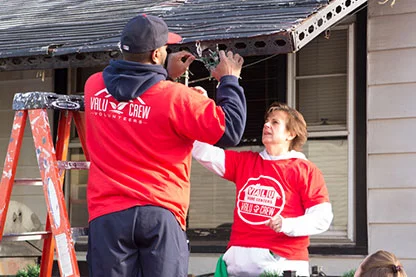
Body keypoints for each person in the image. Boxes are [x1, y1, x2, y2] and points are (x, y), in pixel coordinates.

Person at [84, 13, 246, 277]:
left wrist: (162, 72)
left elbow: (134, 92)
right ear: (157, 53)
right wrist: (229, 80)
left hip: (108, 215)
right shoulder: (177, 98)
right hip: (160, 212)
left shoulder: (94, 86)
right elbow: (231, 129)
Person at [192, 102, 333, 277]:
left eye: (275, 122)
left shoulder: (305, 169)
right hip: (236, 267)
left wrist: (287, 224)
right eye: (267, 121)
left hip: (282, 265)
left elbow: (322, 218)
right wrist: (200, 109)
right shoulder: (245, 162)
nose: (266, 125)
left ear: (291, 134)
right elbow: (202, 152)